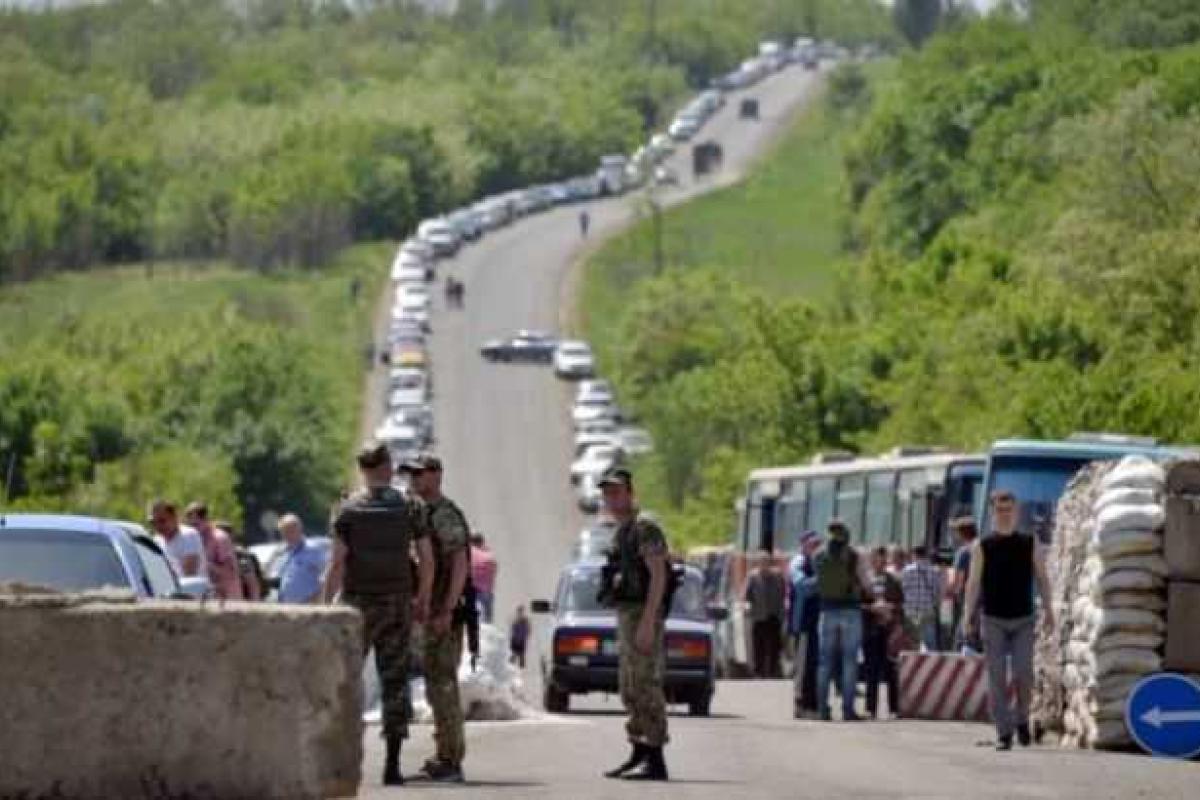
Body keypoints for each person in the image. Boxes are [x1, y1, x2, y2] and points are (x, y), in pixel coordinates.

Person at [323, 443, 434, 786]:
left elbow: (337, 563)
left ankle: (338, 758)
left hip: (357, 604)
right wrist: (422, 599)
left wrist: (327, 608)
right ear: (388, 466)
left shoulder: (347, 507)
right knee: (394, 681)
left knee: (345, 682)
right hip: (397, 602)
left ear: (362, 469)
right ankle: (393, 764)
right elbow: (426, 559)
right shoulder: (410, 505)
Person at [964, 490, 1055, 751]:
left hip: (1023, 618)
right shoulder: (982, 545)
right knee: (996, 677)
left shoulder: (1030, 542)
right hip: (992, 618)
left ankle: (1022, 720)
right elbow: (973, 584)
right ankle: (1003, 732)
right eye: (1000, 510)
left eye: (1009, 509)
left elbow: (1042, 577)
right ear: (993, 512)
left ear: (1015, 512)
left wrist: (1049, 609)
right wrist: (967, 616)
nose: (1004, 514)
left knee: (1024, 674)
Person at [598, 467, 670, 782]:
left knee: (646, 686)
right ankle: (638, 752)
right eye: (607, 493)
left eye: (617, 492)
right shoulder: (622, 531)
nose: (612, 499)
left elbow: (659, 575)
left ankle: (655, 758)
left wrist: (648, 621)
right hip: (628, 614)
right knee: (630, 687)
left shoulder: (645, 528)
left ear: (630, 493)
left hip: (642, 613)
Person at [403, 453, 471, 784]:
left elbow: (460, 563)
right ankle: (443, 752)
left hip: (444, 613)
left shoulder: (444, 514)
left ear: (437, 475)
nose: (414, 479)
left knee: (444, 685)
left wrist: (447, 608)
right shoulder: (419, 512)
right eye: (411, 473)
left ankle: (452, 760)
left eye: (420, 473)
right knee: (434, 685)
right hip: (429, 612)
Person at [814, 519, 870, 722]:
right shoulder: (855, 555)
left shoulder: (819, 554)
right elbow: (866, 584)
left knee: (825, 663)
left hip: (827, 612)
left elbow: (817, 582)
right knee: (849, 661)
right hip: (851, 612)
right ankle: (848, 710)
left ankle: (822, 709)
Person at [863, 546, 904, 719]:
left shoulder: (893, 581)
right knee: (871, 669)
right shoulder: (865, 581)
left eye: (879, 558)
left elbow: (901, 604)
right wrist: (871, 608)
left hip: (888, 629)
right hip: (871, 629)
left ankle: (894, 708)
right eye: (872, 558)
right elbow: (857, 603)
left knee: (890, 669)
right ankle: (871, 708)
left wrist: (891, 608)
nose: (875, 562)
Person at [788, 531, 822, 719]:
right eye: (812, 544)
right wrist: (824, 579)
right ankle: (801, 705)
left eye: (818, 544)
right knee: (803, 667)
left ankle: (813, 704)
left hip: (817, 622)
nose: (816, 548)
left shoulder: (817, 563)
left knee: (815, 666)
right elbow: (802, 586)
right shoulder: (798, 562)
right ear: (803, 545)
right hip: (803, 623)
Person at [185, 502, 244, 600]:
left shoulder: (220, 538)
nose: (193, 529)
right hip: (207, 597)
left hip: (227, 598)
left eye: (195, 524)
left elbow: (229, 571)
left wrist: (204, 564)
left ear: (206, 520)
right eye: (190, 525)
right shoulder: (194, 539)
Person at [744, 550, 786, 679]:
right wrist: (747, 606)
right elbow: (747, 595)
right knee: (759, 645)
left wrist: (783, 609)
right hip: (759, 616)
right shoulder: (753, 577)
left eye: (766, 562)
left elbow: (784, 592)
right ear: (758, 564)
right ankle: (759, 672)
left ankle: (774, 670)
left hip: (774, 615)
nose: (764, 565)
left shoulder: (778, 576)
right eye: (762, 562)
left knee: (775, 645)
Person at [148, 500, 206, 579]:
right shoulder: (156, 542)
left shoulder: (188, 535)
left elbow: (189, 576)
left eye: (162, 521)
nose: (158, 526)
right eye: (153, 523)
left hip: (194, 589)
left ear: (174, 517)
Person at [275, 514, 325, 605]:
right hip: (286, 607)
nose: (287, 535)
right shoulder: (283, 552)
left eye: (290, 530)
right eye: (284, 531)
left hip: (308, 606)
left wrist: (316, 599)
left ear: (299, 529)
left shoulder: (313, 550)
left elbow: (324, 577)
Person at [900, 545, 942, 652]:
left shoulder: (907, 570)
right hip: (927, 610)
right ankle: (932, 665)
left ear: (914, 555)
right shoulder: (934, 571)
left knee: (912, 642)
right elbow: (937, 592)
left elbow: (903, 590)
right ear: (926, 555)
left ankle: (912, 665)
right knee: (930, 643)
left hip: (911, 611)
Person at [947, 517, 980, 652]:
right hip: (986, 602)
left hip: (968, 600)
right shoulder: (983, 548)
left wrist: (951, 592)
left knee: (962, 636)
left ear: (962, 533)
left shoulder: (964, 552)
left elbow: (958, 582)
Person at [470, 533, 498, 624]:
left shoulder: (469, 552)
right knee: (487, 620)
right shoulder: (489, 556)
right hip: (486, 591)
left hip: (470, 589)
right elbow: (494, 571)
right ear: (482, 542)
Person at [510, 605, 531, 669]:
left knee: (521, 655)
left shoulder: (525, 620)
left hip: (521, 640)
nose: (520, 613)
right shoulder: (516, 620)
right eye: (519, 611)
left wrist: (524, 637)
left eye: (521, 611)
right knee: (514, 654)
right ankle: (511, 667)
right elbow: (513, 629)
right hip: (516, 639)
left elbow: (527, 630)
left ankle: (521, 669)